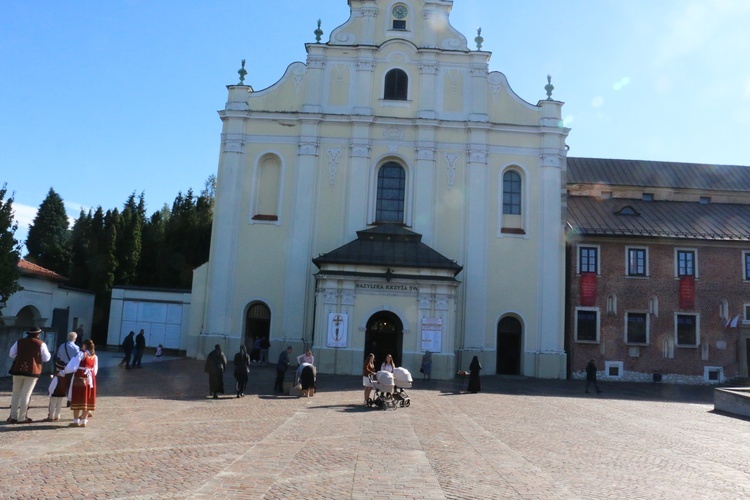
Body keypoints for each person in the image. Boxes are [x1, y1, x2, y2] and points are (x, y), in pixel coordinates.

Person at [7, 326, 52, 424]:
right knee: (26, 394)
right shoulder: (41, 344)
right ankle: (22, 417)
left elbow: (11, 354)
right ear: (38, 334)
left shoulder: (19, 342)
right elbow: (46, 358)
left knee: (16, 393)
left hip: (18, 370)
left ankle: (13, 416)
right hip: (32, 371)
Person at [65, 339, 98, 428]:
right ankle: (84, 420)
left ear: (84, 345)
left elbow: (73, 366)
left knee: (77, 397)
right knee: (87, 398)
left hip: (80, 377)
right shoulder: (94, 356)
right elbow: (95, 370)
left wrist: (65, 371)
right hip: (90, 378)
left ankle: (76, 421)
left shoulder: (81, 354)